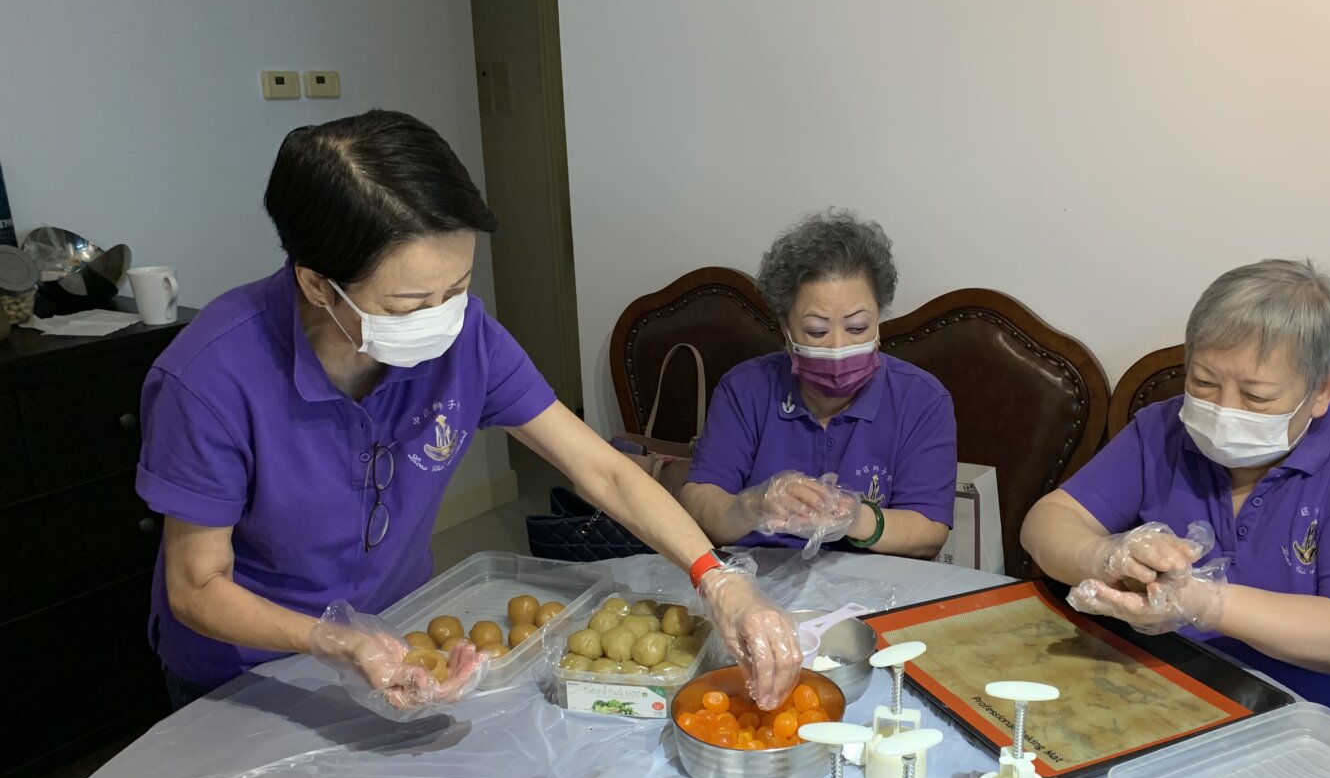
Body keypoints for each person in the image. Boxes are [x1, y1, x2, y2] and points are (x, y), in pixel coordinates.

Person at [138, 110, 800, 712]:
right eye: (408, 305)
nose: (442, 319)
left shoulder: (466, 337)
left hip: (393, 640)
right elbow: (197, 587)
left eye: (457, 287)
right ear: (317, 284)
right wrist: (335, 641)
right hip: (248, 676)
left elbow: (602, 470)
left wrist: (719, 581)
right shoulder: (210, 378)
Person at [1021, 259, 1330, 748]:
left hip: (1321, 737)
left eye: (1256, 396)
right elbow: (1048, 521)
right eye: (1204, 383)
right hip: (1166, 708)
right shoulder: (1162, 431)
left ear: (1321, 391)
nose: (1223, 409)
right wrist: (1107, 556)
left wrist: (1202, 602)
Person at [679, 210, 957, 560]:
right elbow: (700, 500)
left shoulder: (922, 400)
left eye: (857, 327)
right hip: (753, 579)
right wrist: (752, 505)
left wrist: (855, 518)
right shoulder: (745, 389)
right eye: (816, 331)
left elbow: (929, 530)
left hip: (877, 582)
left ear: (879, 319)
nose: (838, 346)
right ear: (785, 327)